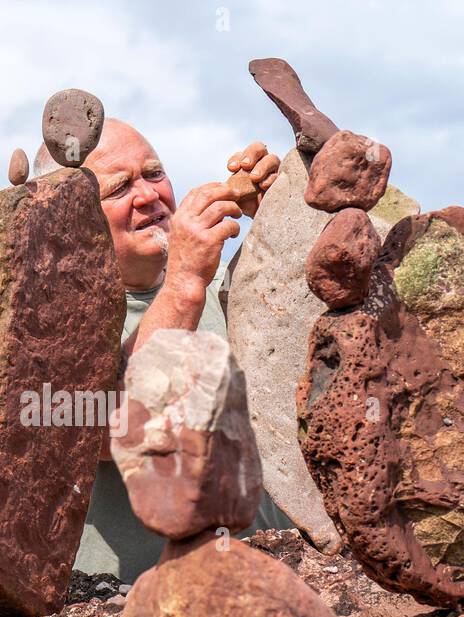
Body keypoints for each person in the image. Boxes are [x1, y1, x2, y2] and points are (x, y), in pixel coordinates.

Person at [35, 119, 291, 583]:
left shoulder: (224, 285)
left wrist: (285, 214)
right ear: (66, 219)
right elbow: (113, 430)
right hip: (131, 606)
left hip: (276, 580)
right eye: (119, 188)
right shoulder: (46, 325)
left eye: (154, 175)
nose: (149, 195)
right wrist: (185, 283)